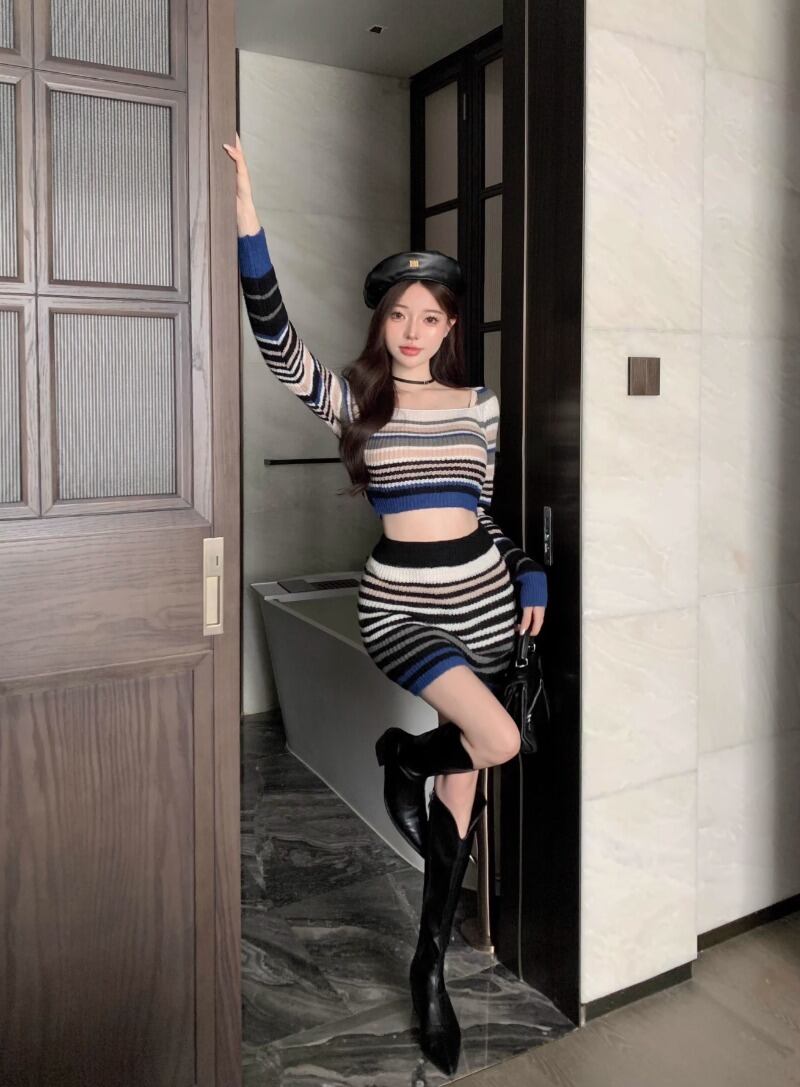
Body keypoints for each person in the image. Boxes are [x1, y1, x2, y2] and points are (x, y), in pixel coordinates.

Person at [224, 133, 547, 1075]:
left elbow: (482, 514)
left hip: (485, 603)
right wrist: (249, 218)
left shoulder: (481, 405)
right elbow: (275, 338)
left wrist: (529, 569)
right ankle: (399, 757)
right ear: (383, 322)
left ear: (450, 327)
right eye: (399, 313)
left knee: (466, 793)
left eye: (429, 316)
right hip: (401, 607)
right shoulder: (356, 401)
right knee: (499, 738)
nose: (412, 328)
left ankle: (429, 970)